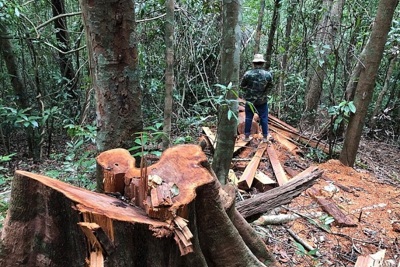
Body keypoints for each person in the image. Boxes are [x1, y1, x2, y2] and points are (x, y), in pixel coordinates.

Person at [240, 54, 273, 142]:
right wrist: (263, 93)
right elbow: (270, 86)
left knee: (248, 118)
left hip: (250, 101)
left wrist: (249, 91)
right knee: (264, 118)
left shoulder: (248, 74)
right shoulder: (268, 75)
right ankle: (265, 137)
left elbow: (242, 86)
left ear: (254, 63)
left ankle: (247, 136)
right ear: (262, 63)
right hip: (262, 101)